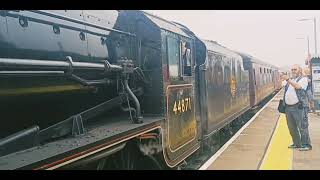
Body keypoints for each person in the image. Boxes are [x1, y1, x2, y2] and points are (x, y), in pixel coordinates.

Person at [282, 64, 311, 151]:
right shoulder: (291, 80)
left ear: (300, 70)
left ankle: (306, 145)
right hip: (288, 108)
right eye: (292, 69)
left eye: (295, 69)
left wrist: (288, 79)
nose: (293, 71)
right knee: (291, 127)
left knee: (302, 126)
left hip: (299, 107)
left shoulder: (303, 79)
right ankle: (297, 143)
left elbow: (298, 87)